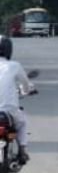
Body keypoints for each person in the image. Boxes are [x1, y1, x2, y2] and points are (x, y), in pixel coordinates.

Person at [0, 36, 35, 164]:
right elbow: (26, 83)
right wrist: (27, 90)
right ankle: (22, 150)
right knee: (22, 123)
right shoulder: (14, 66)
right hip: (9, 111)